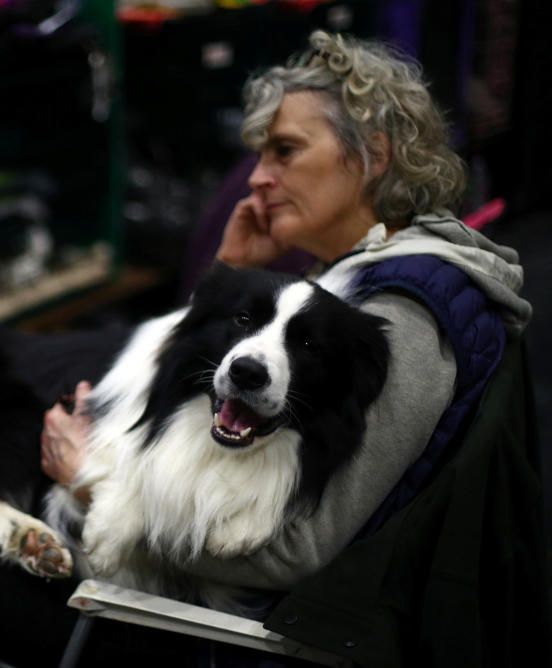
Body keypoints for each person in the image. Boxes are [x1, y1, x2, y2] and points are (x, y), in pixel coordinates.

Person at [40, 29, 532, 598]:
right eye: (258, 156)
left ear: (373, 156)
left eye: (285, 151)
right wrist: (230, 278)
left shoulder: (406, 312)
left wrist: (89, 485)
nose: (256, 179)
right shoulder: (352, 276)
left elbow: (291, 554)